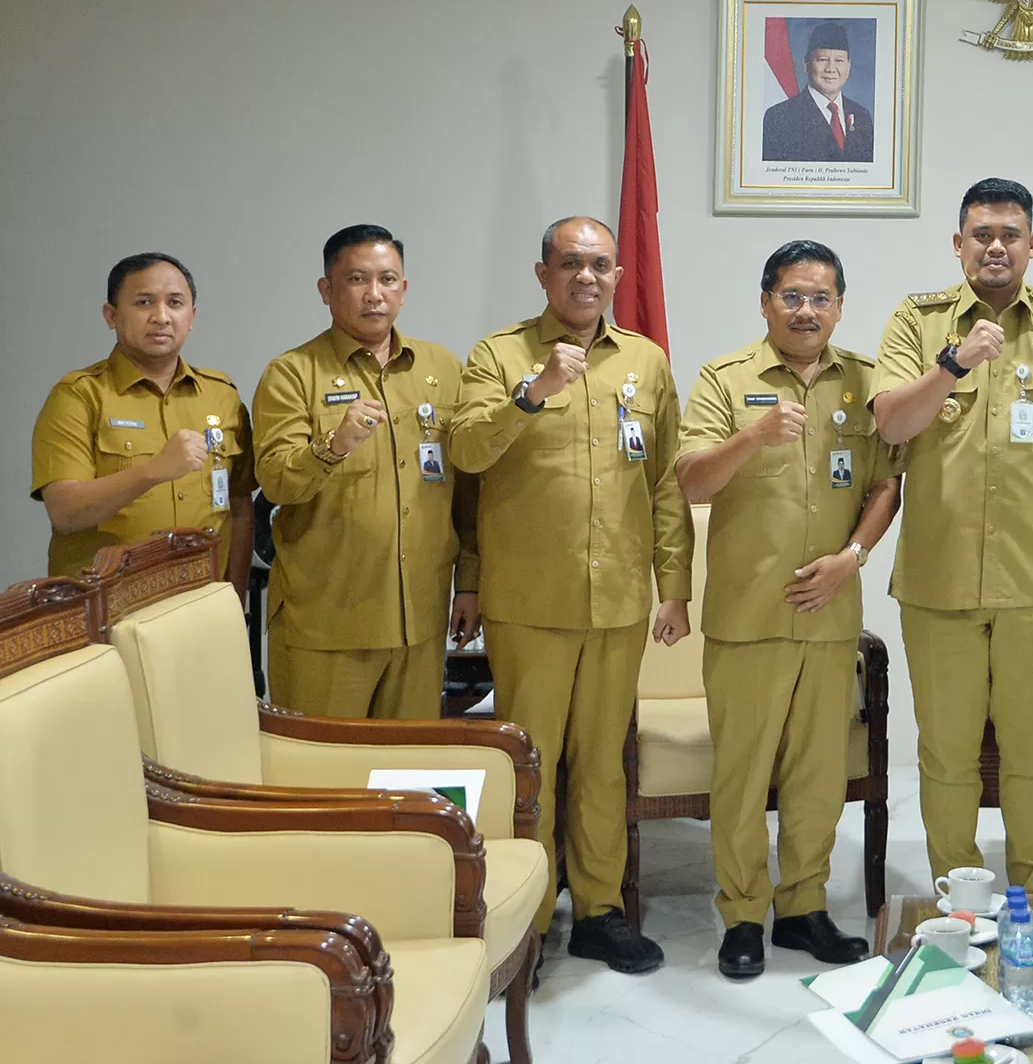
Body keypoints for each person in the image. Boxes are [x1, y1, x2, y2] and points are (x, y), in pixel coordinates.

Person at [449, 216, 694, 975]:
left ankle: (598, 911)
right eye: (569, 263)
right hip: (530, 600)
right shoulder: (498, 355)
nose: (586, 276)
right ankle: (524, 920)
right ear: (543, 273)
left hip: (618, 598)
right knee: (529, 765)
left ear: (617, 275)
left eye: (599, 264)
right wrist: (533, 394)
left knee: (600, 764)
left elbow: (665, 482)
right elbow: (466, 455)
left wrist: (674, 586)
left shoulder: (646, 360)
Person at [871, 177, 1033, 888]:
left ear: (1032, 244)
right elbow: (891, 424)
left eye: (1010, 235)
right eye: (981, 234)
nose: (995, 246)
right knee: (946, 752)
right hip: (939, 576)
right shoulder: (917, 320)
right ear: (958, 244)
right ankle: (959, 897)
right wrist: (953, 362)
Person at [676, 240, 903, 981]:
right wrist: (753, 435)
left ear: (839, 306)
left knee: (817, 774)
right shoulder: (726, 378)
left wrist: (853, 556)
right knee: (742, 776)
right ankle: (743, 914)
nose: (807, 310)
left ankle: (804, 907)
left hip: (830, 613)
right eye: (792, 296)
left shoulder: (866, 380)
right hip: (749, 616)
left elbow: (885, 485)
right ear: (766, 301)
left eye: (821, 298)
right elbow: (691, 482)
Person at [252, 225, 479, 720]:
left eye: (387, 279)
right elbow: (276, 482)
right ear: (326, 290)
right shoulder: (292, 373)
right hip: (326, 622)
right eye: (357, 279)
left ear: (404, 288)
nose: (374, 294)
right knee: (321, 766)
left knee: (409, 762)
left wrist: (470, 582)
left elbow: (466, 492)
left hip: (419, 620)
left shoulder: (442, 367)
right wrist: (333, 446)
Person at [33, 253, 254, 591]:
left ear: (191, 317)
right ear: (111, 315)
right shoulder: (79, 395)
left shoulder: (221, 395)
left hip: (203, 602)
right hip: (109, 606)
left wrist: (234, 599)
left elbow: (238, 507)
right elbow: (65, 512)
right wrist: (153, 471)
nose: (161, 317)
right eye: (144, 302)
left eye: (175, 303)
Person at [762, 22, 875, 163]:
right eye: (822, 60)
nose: (831, 69)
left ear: (848, 67)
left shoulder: (862, 116)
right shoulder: (779, 117)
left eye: (839, 60)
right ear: (806, 65)